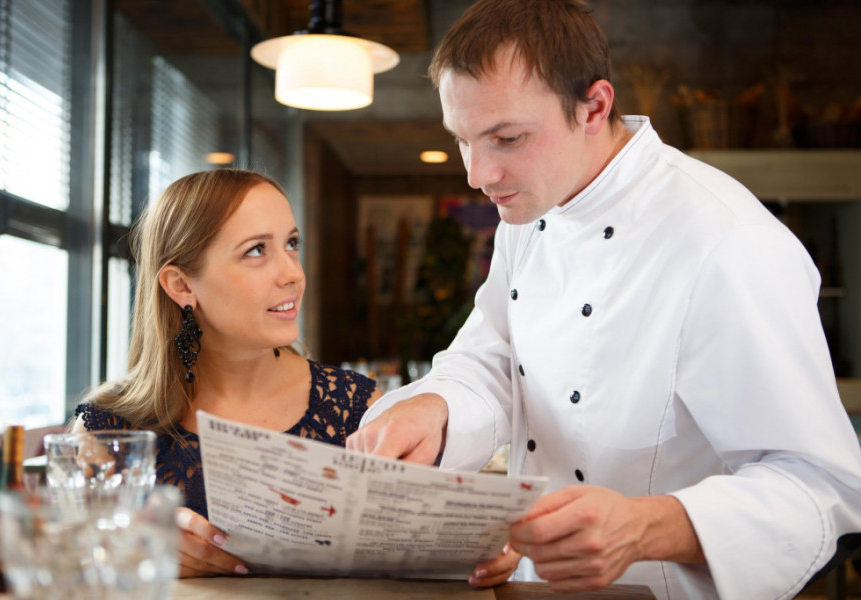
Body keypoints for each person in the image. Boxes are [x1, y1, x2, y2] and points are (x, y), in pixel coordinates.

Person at [347, 1, 861, 598]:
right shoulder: (530, 209)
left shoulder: (730, 242)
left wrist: (646, 527)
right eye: (463, 140)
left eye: (507, 138)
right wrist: (434, 408)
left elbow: (823, 487)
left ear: (594, 107)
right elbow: (496, 358)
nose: (478, 174)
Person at [72, 168, 380, 578]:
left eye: (291, 244)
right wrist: (130, 552)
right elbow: (62, 569)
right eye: (256, 250)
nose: (293, 274)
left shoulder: (359, 409)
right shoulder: (102, 431)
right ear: (181, 285)